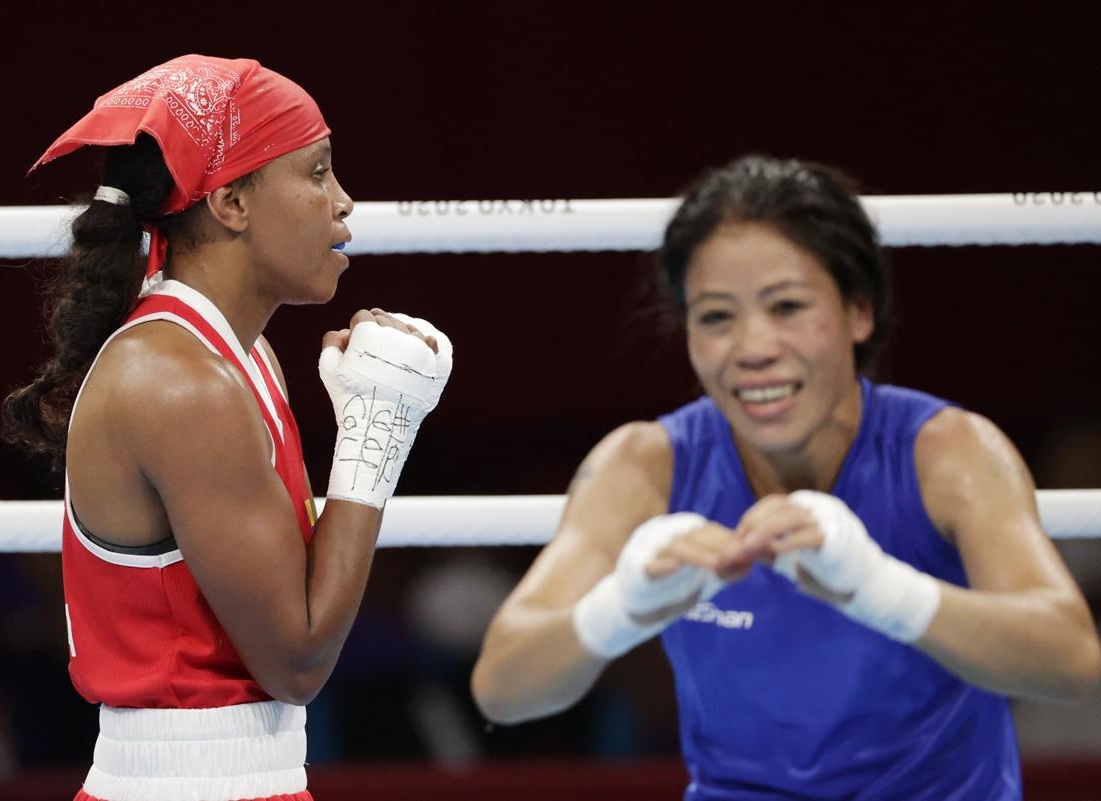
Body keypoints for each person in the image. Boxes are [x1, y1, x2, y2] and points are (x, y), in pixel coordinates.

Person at [472, 155, 1101, 799]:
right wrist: (621, 610)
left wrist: (880, 590)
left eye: (788, 306)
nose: (753, 347)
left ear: (860, 311)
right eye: (717, 316)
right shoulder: (644, 465)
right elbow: (502, 686)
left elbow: (1071, 658)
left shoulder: (948, 454)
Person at [2, 54, 452, 801]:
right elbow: (299, 660)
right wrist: (379, 426)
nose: (343, 202)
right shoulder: (182, 384)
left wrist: (366, 416)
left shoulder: (240, 355)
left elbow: (295, 591)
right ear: (233, 202)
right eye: (315, 172)